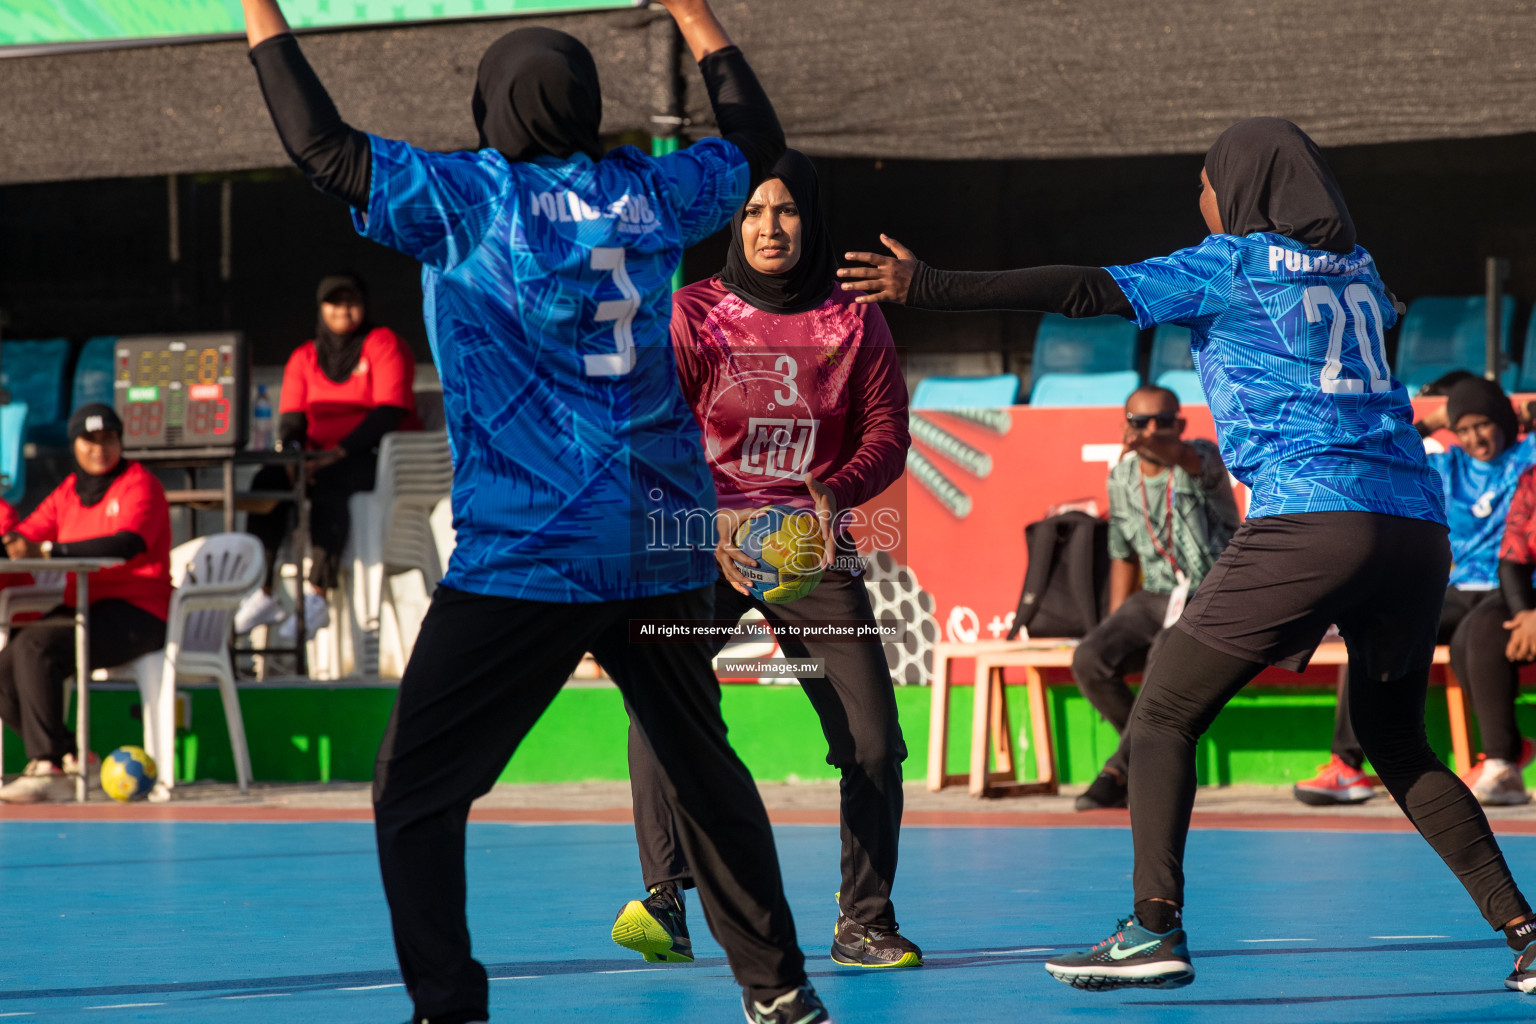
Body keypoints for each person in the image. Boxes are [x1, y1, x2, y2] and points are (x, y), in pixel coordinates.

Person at [841, 117, 1536, 994]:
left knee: (1163, 712)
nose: (1200, 198)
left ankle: (1152, 929)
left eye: (1206, 181)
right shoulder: (1361, 270)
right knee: (1399, 745)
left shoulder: (1234, 263)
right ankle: (1527, 930)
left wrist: (930, 285)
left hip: (1312, 516)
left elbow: (1086, 290)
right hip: (1413, 530)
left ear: (1244, 188)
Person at [237, 2, 834, 1023]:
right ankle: (778, 987)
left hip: (535, 550)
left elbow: (322, 150)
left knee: (415, 792)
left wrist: (258, 11)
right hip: (657, 541)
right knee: (702, 766)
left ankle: (450, 1004)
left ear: (492, 106)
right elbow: (756, 144)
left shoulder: (470, 197)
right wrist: (695, 15)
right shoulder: (651, 192)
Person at [613, 149, 919, 970]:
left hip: (810, 548)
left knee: (873, 743)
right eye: (752, 211)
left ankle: (864, 922)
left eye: (785, 210)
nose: (769, 226)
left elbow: (889, 432)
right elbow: (651, 431)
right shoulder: (694, 313)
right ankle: (665, 902)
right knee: (661, 701)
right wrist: (703, 519)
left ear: (810, 219)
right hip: (700, 543)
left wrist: (836, 490)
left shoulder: (853, 318)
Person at [1296, 376, 1536, 807]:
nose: (1473, 438)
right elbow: (1387, 449)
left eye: (1482, 424)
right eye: (1462, 429)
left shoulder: (1528, 456)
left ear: (1502, 419)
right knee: (1375, 629)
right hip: (1456, 587)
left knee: (1476, 636)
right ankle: (1347, 766)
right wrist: (1438, 418)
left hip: (1514, 588)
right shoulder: (1449, 466)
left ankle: (1503, 760)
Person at [1071, 384, 1237, 812]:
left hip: (1214, 591)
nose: (1151, 429)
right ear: (1124, 426)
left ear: (1180, 425)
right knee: (1090, 657)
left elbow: (1185, 459)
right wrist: (1113, 622)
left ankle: (1119, 771)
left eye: (1164, 421)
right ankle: (1154, 752)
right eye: (1139, 422)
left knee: (1166, 649)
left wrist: (1156, 445)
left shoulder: (1200, 457)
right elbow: (1123, 554)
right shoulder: (1121, 477)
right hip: (1157, 593)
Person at [0, 405, 171, 804]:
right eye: (89, 440)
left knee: (37, 647)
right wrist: (14, 544)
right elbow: (24, 537)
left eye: (108, 439)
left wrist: (47, 550)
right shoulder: (66, 493)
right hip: (86, 609)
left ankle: (47, 766)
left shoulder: (139, 484)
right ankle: (73, 758)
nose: (100, 449)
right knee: (5, 669)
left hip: (140, 612)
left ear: (121, 441)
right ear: (74, 444)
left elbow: (127, 544)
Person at [237, 273, 419, 642]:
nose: (343, 310)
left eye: (351, 301)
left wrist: (337, 453)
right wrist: (291, 457)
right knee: (267, 481)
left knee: (330, 481)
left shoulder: (382, 344)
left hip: (376, 457)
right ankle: (262, 590)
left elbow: (388, 412)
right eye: (334, 302)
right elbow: (291, 421)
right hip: (317, 458)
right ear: (321, 309)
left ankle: (317, 593)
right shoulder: (305, 356)